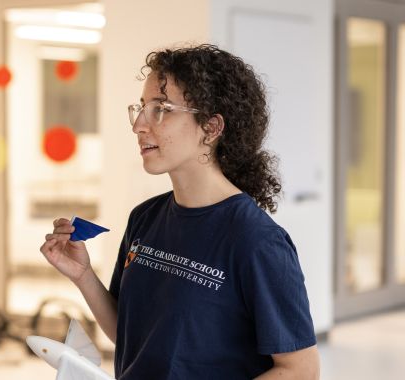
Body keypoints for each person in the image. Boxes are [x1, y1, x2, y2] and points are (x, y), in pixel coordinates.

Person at [40, 44, 320, 379]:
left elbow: (300, 371)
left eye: (161, 109)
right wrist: (83, 276)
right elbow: (130, 334)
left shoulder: (257, 242)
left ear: (211, 127)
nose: (139, 125)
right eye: (141, 108)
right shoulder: (144, 218)